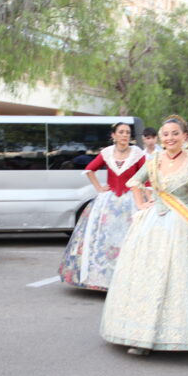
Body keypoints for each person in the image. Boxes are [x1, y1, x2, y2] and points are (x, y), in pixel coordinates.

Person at [100, 115, 188, 356]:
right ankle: (141, 338)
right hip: (152, 226)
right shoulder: (154, 159)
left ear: (185, 136)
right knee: (148, 279)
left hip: (186, 228)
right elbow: (135, 181)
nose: (170, 138)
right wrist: (141, 203)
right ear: (160, 137)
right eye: (165, 134)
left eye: (175, 134)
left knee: (180, 280)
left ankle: (182, 336)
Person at [59, 122, 145, 291]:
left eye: (127, 132)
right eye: (121, 132)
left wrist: (146, 198)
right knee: (104, 240)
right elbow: (89, 169)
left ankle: (129, 280)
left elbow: (146, 177)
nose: (124, 135)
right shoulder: (106, 153)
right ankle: (103, 279)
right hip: (109, 203)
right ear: (113, 135)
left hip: (131, 201)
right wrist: (99, 187)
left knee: (129, 239)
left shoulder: (137, 153)